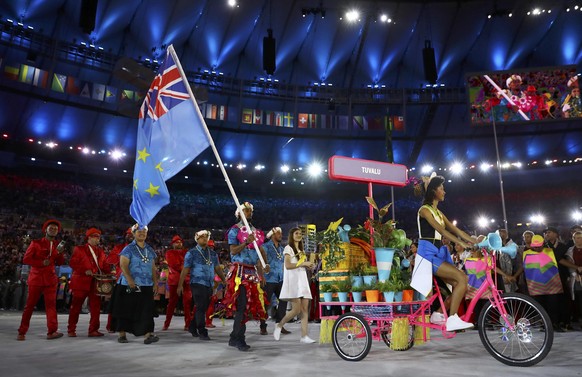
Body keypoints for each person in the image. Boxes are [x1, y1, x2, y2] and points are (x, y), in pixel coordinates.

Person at [412, 174, 476, 331]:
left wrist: (477, 242)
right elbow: (440, 229)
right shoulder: (424, 210)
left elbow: (456, 229)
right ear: (434, 191)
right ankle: (452, 319)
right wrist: (459, 242)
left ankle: (439, 314)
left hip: (437, 254)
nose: (444, 191)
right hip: (427, 256)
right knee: (462, 278)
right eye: (442, 188)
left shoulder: (439, 213)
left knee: (459, 285)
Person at [223, 201, 268, 352]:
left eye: (250, 211)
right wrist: (246, 243)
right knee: (241, 306)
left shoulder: (256, 231)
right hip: (240, 272)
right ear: (239, 213)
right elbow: (233, 251)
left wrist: (264, 267)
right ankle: (237, 338)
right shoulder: (234, 230)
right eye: (245, 211)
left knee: (246, 307)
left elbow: (261, 252)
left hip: (252, 271)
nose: (249, 213)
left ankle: (234, 337)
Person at [17, 219, 66, 341]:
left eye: (55, 229)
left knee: (51, 306)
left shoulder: (57, 245)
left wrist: (60, 254)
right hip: (36, 279)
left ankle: (52, 331)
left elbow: (59, 262)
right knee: (29, 306)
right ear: (45, 230)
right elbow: (26, 259)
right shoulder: (36, 243)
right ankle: (22, 332)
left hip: (50, 280)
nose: (53, 230)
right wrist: (41, 262)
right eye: (51, 228)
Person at [110, 224, 159, 344]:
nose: (142, 233)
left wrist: (155, 282)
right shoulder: (128, 249)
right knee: (126, 309)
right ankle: (122, 334)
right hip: (128, 284)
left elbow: (153, 268)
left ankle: (148, 335)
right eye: (139, 231)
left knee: (146, 310)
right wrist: (130, 280)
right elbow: (123, 265)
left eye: (144, 231)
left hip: (146, 284)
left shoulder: (150, 249)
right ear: (133, 233)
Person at [178, 230, 225, 340]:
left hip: (209, 283)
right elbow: (185, 269)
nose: (205, 238)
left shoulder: (213, 254)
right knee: (200, 306)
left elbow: (217, 268)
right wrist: (180, 285)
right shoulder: (192, 253)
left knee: (203, 307)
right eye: (202, 237)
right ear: (197, 239)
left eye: (206, 237)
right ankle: (202, 330)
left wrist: (223, 279)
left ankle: (192, 326)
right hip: (197, 283)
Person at [273, 227, 316, 343]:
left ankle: (304, 336)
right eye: (296, 233)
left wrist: (309, 266)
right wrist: (303, 263)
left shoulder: (301, 250)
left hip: (303, 281)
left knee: (304, 309)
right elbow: (287, 265)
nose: (299, 235)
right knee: (296, 310)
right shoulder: (288, 248)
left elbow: (301, 265)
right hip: (293, 282)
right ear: (291, 235)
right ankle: (279, 325)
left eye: (300, 233)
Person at [67, 227, 110, 337]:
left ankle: (93, 330)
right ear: (89, 238)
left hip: (95, 282)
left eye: (99, 237)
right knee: (76, 306)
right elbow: (73, 263)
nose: (98, 239)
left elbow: (104, 266)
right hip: (81, 281)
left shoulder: (100, 252)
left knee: (96, 306)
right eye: (95, 237)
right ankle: (71, 329)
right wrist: (84, 270)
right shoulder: (79, 249)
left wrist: (110, 272)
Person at [519, 234, 564, 330]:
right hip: (536, 286)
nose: (537, 249)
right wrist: (514, 276)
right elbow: (523, 267)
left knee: (553, 305)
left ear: (543, 244)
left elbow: (561, 261)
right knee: (541, 307)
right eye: (535, 247)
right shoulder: (526, 253)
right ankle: (544, 324)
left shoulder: (550, 251)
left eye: (539, 246)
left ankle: (555, 324)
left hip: (551, 284)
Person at [260, 227, 290, 336]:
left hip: (280, 278)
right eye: (278, 233)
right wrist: (261, 276)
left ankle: (279, 325)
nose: (281, 235)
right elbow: (260, 262)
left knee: (284, 299)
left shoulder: (282, 249)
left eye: (281, 233)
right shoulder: (265, 247)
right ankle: (263, 326)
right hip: (268, 279)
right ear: (273, 235)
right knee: (266, 303)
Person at [105, 227, 133, 333]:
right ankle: (111, 326)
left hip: (135, 280)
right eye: (127, 234)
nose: (129, 236)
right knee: (116, 304)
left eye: (131, 234)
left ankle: (129, 326)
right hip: (121, 280)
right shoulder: (118, 247)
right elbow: (109, 259)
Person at [163, 235, 192, 331]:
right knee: (172, 303)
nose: (179, 244)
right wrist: (185, 268)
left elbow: (189, 264)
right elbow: (175, 265)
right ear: (173, 244)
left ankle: (188, 324)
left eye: (180, 242)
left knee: (187, 303)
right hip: (175, 281)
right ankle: (166, 324)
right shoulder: (169, 253)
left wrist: (185, 268)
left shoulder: (187, 252)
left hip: (186, 280)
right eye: (176, 242)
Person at [560, 230, 582, 329]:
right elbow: (569, 264)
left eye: (581, 237)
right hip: (575, 279)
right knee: (578, 300)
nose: (579, 240)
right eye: (577, 238)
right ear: (573, 239)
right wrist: (574, 273)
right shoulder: (570, 251)